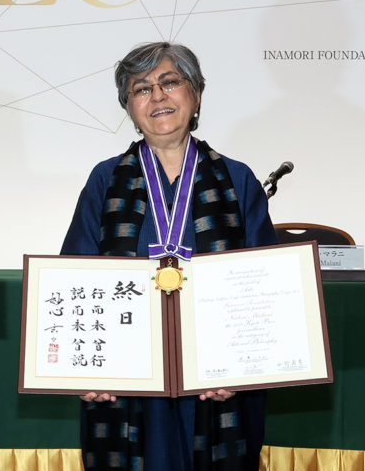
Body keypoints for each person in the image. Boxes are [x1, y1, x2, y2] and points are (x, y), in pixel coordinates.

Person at [61, 42, 276, 471]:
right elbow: (75, 275)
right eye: (141, 89)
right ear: (129, 107)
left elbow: (264, 285)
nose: (157, 96)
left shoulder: (237, 178)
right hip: (129, 381)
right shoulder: (106, 179)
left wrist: (239, 365)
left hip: (218, 386)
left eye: (170, 82)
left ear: (195, 94)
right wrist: (83, 368)